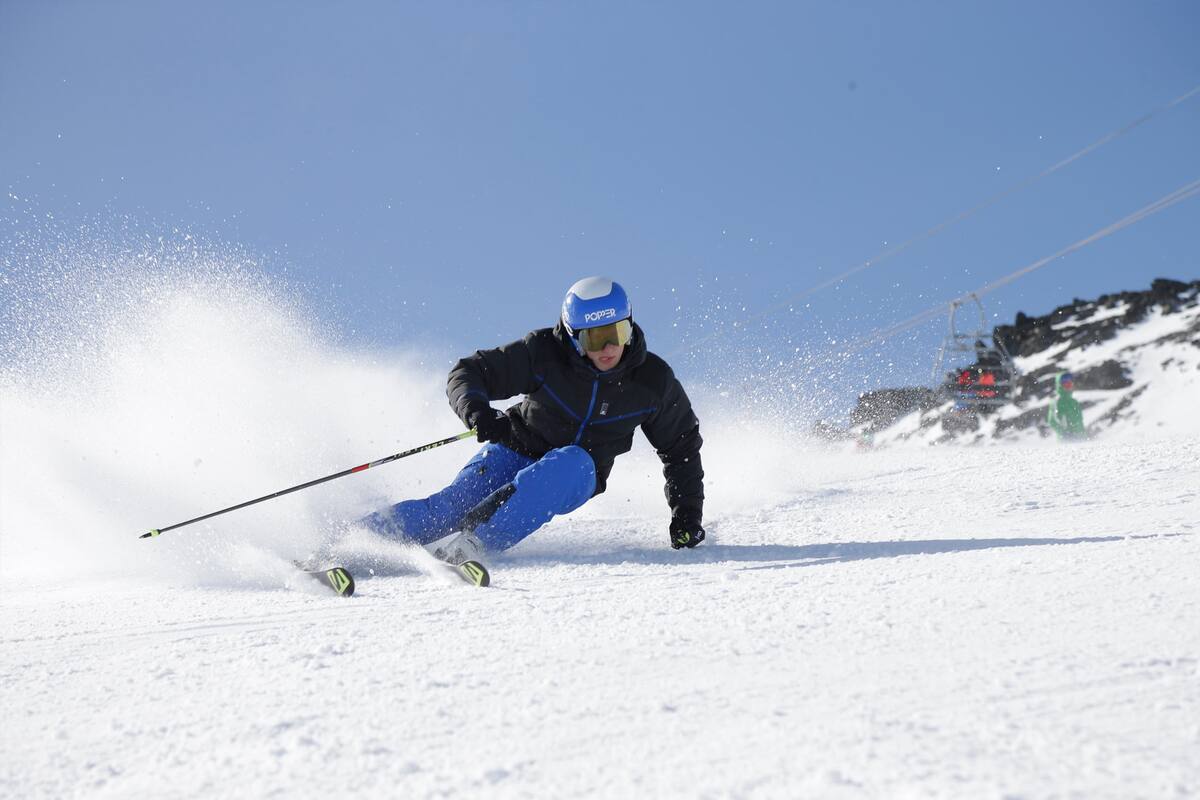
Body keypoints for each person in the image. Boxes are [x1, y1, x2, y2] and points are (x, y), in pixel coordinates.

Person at [360, 276, 705, 565]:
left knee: (569, 462)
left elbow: (681, 448)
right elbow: (468, 372)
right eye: (595, 337)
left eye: (617, 332)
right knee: (451, 507)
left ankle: (471, 547)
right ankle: (352, 541)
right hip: (516, 449)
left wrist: (686, 515)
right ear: (573, 336)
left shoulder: (652, 382)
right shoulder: (544, 353)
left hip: (577, 472)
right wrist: (478, 412)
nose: (609, 348)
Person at [1046, 371, 1086, 440]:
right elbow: (1052, 421)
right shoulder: (1056, 401)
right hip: (1066, 442)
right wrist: (1064, 433)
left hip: (1081, 440)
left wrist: (1084, 436)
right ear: (1059, 384)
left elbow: (1080, 423)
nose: (1068, 383)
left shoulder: (1074, 402)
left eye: (1070, 381)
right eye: (1064, 382)